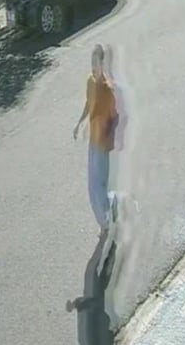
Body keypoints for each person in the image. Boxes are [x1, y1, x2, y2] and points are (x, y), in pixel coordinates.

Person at [73, 44, 118, 238]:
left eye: (97, 63)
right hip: (93, 140)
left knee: (97, 187)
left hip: (103, 144)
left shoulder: (108, 91)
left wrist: (108, 139)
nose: (93, 67)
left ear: (103, 65)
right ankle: (108, 216)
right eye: (92, 63)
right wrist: (79, 123)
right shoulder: (90, 82)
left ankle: (107, 223)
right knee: (95, 186)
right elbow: (88, 103)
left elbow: (115, 118)